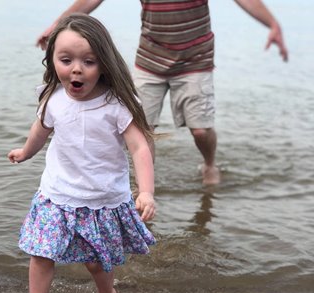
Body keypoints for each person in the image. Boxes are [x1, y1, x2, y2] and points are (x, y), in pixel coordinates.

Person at [8, 13, 156, 293]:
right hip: (57, 193)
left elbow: (140, 149)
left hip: (102, 198)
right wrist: (26, 151)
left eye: (88, 61)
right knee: (41, 252)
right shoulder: (53, 99)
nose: (76, 69)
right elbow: (40, 131)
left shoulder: (116, 104)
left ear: (104, 64)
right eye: (66, 60)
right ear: (53, 61)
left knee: (95, 260)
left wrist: (145, 191)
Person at [36, 0, 288, 187]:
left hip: (195, 60)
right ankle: (146, 189)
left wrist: (273, 24)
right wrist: (57, 24)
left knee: (200, 129)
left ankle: (209, 164)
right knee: (142, 127)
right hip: (150, 59)